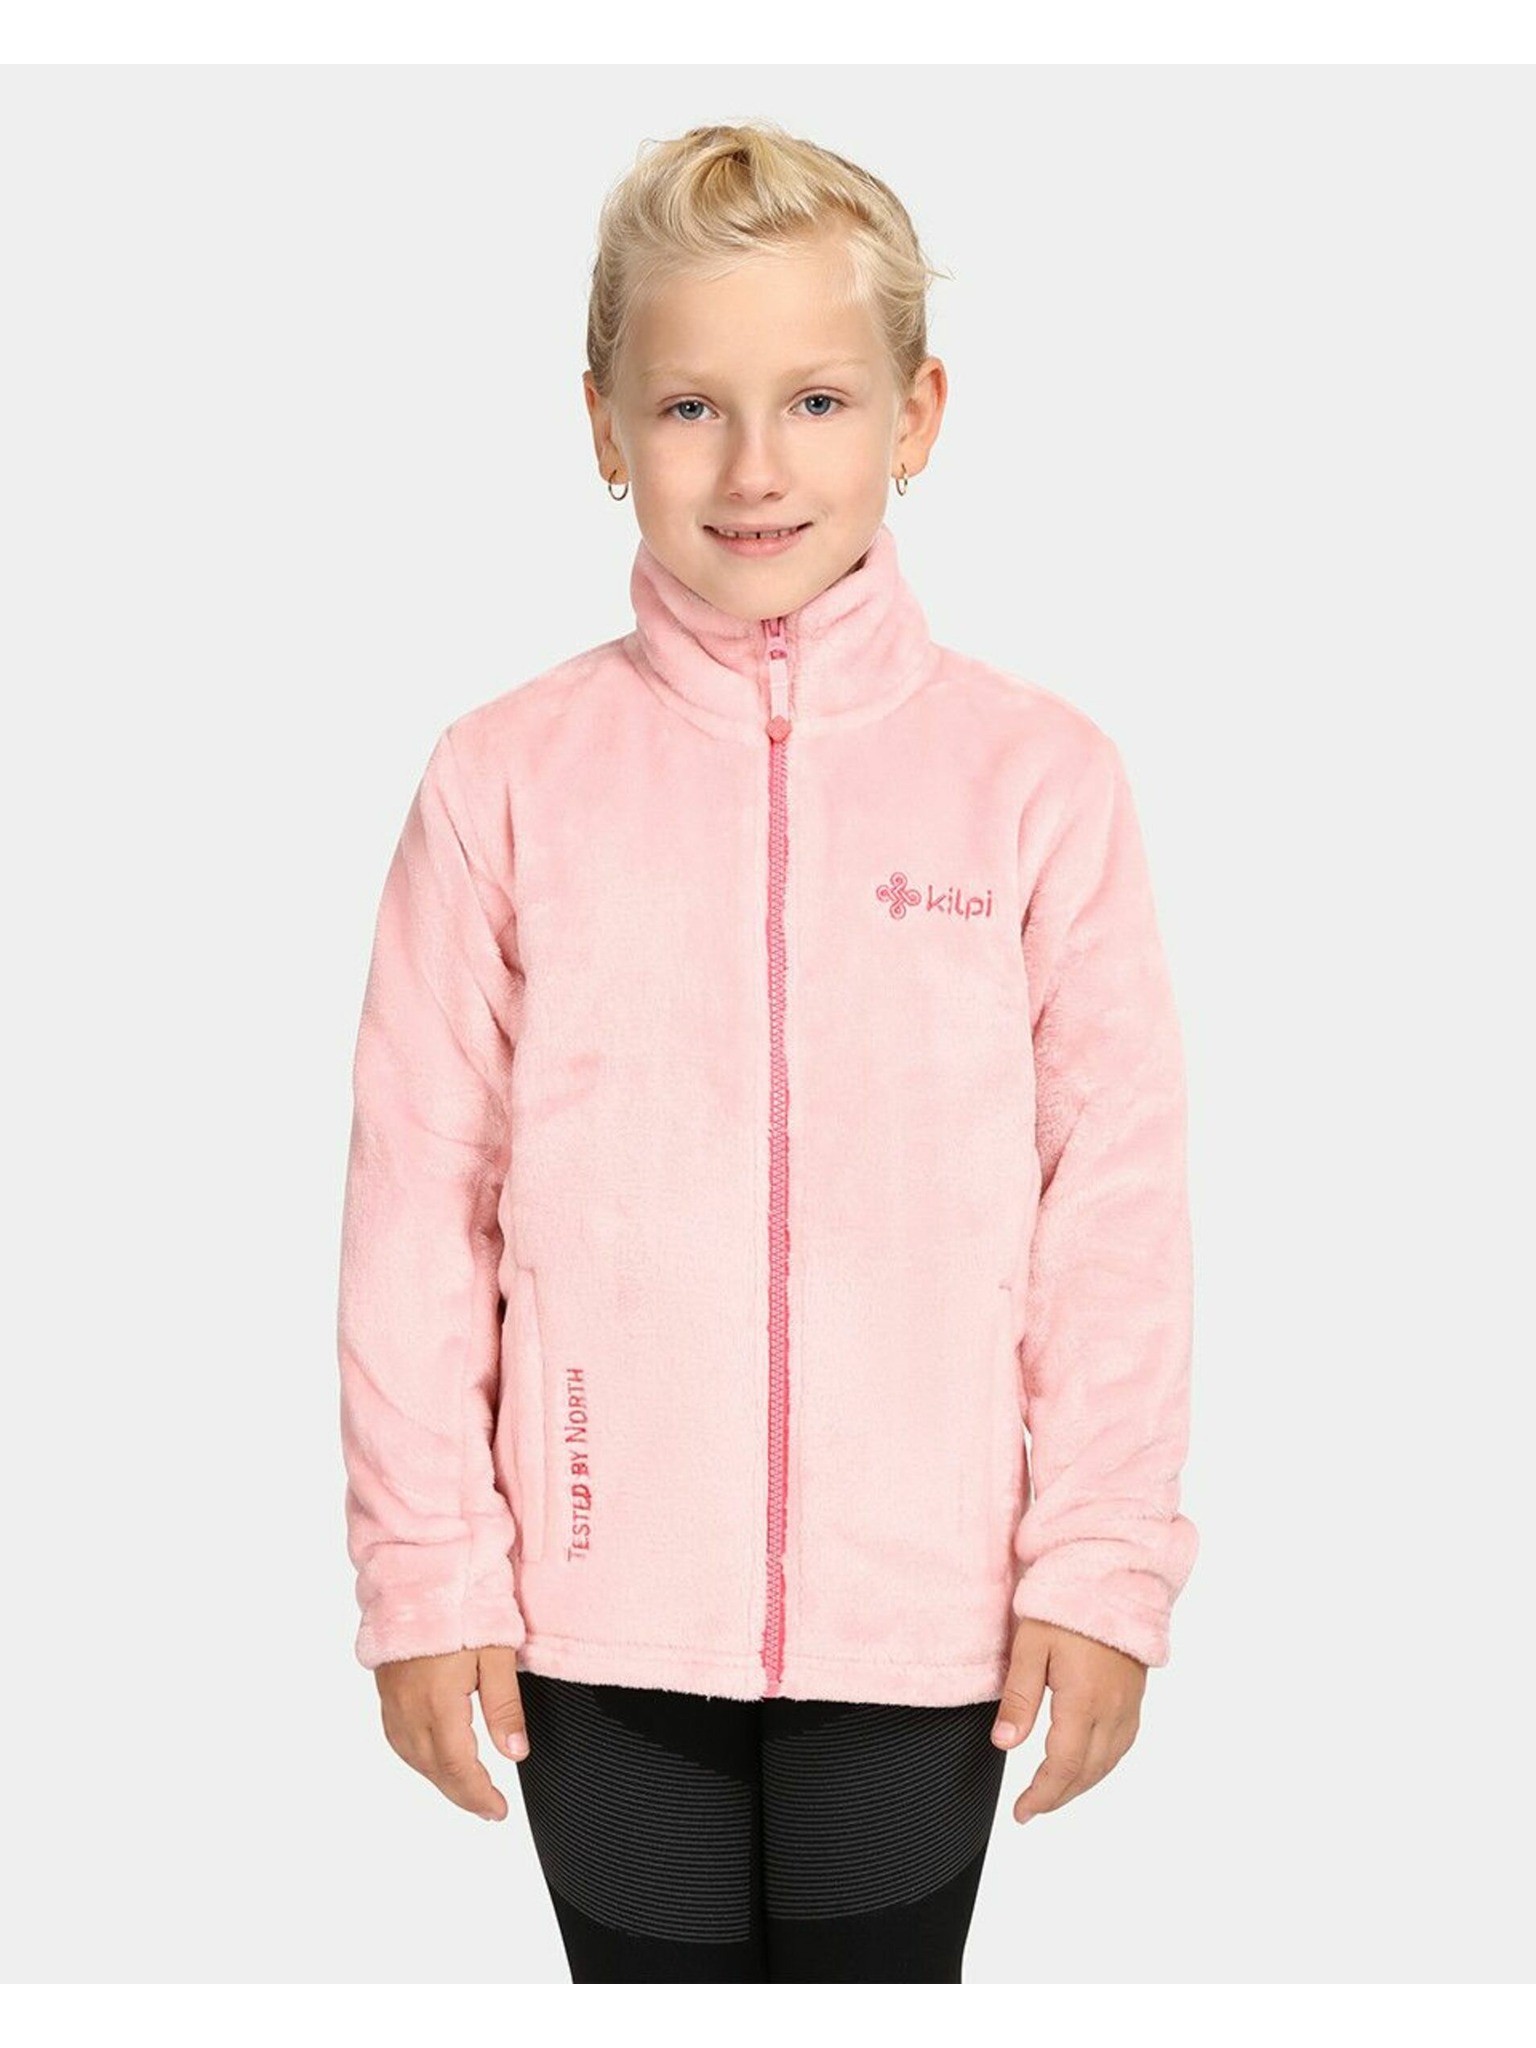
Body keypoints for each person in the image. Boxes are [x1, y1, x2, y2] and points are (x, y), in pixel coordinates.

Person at [335, 119, 1199, 1984]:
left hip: (929, 1614)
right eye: (687, 407)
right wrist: (425, 1570)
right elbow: (419, 1205)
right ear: (600, 424)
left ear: (917, 414)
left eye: (815, 399)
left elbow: (1114, 1207)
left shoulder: (1038, 784)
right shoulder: (503, 781)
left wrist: (1103, 1560)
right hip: (592, 1610)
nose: (751, 467)